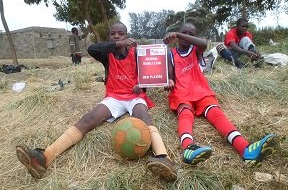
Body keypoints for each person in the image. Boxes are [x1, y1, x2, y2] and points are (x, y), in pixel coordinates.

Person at [16, 22, 177, 181]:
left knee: (144, 117)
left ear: (127, 35)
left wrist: (143, 85)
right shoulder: (106, 53)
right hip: (114, 96)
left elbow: (153, 70)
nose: (116, 36)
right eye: (113, 33)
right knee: (88, 119)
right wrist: (119, 43)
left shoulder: (136, 52)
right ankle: (45, 157)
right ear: (109, 37)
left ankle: (164, 158)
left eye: (120, 34)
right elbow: (91, 49)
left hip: (135, 96)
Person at [163, 22, 277, 167]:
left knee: (216, 114)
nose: (186, 36)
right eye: (183, 32)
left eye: (191, 34)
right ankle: (188, 148)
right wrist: (170, 81)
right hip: (181, 92)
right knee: (185, 114)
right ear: (177, 34)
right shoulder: (170, 54)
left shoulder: (196, 50)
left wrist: (179, 34)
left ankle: (246, 150)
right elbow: (171, 74)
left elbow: (204, 43)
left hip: (200, 90)